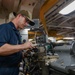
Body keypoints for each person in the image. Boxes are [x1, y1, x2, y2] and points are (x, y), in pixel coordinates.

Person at [0, 10, 35, 75]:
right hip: (4, 70)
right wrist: (23, 46)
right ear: (19, 16)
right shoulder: (5, 28)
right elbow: (1, 49)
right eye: (26, 20)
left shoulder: (16, 33)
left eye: (28, 22)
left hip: (14, 69)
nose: (27, 24)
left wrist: (23, 54)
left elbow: (13, 50)